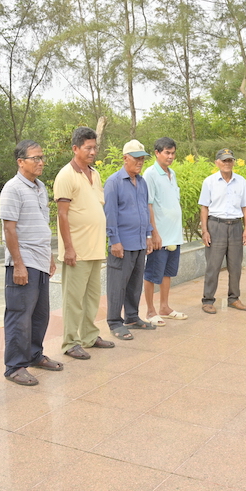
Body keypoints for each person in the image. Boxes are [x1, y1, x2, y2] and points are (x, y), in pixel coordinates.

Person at [1, 140, 62, 385]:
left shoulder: (40, 187)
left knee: (40, 315)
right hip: (23, 262)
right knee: (19, 316)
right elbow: (9, 228)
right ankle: (15, 366)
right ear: (20, 162)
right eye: (35, 158)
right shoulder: (12, 188)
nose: (40, 162)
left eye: (41, 157)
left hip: (40, 261)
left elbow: (43, 225)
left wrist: (48, 256)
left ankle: (35, 355)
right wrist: (18, 264)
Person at [53, 127, 116, 360]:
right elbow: (62, 215)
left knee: (91, 298)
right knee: (73, 299)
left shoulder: (94, 174)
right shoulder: (66, 175)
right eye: (88, 148)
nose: (92, 151)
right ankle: (70, 342)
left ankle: (89, 336)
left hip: (95, 248)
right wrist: (68, 248)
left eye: (94, 147)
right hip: (76, 251)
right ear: (75, 148)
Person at [104, 139, 155, 340]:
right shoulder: (114, 182)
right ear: (125, 158)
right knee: (118, 284)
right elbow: (110, 214)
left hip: (140, 242)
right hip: (122, 244)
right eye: (136, 158)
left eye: (142, 158)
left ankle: (132, 317)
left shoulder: (142, 182)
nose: (140, 162)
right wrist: (114, 240)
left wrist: (149, 235)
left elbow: (144, 210)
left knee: (135, 283)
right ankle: (115, 322)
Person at [198, 148, 246, 314]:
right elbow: (204, 207)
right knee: (213, 266)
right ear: (217, 163)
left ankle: (234, 298)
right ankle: (208, 300)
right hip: (216, 226)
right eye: (224, 160)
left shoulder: (241, 181)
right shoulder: (209, 182)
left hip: (236, 227)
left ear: (233, 162)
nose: (227, 163)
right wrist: (205, 230)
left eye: (230, 160)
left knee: (235, 266)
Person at [143, 137, 187, 325]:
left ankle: (164, 307)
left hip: (174, 234)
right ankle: (151, 311)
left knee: (168, 273)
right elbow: (149, 205)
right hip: (159, 235)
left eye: (173, 153)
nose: (170, 156)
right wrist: (153, 233)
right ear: (157, 153)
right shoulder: (150, 174)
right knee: (152, 273)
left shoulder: (172, 173)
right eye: (167, 153)